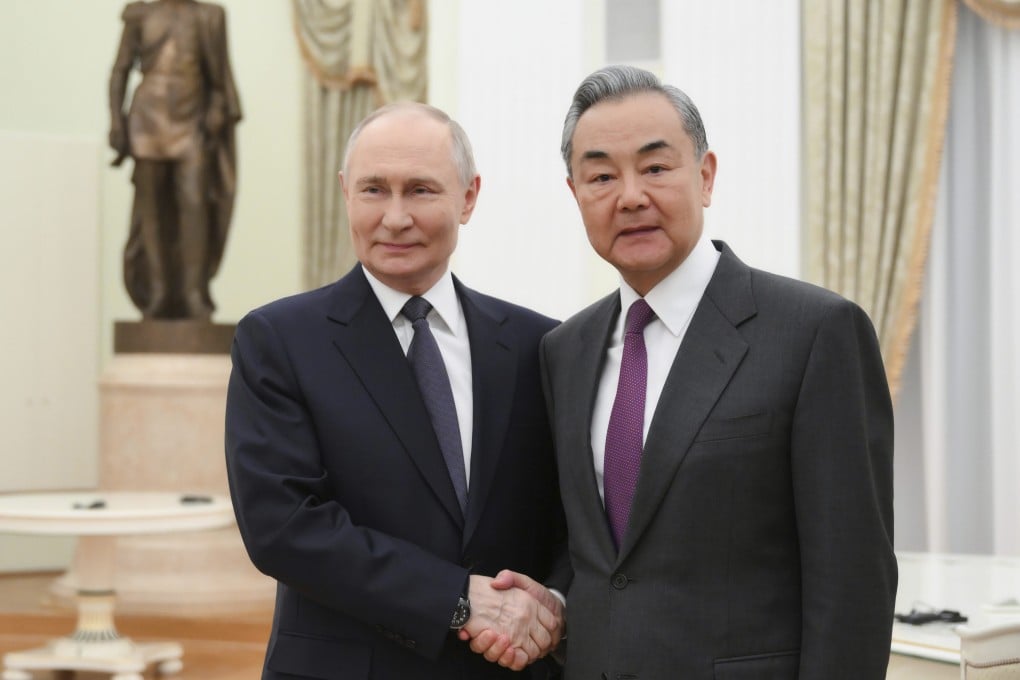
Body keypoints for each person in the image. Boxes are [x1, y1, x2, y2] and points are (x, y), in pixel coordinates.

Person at [492, 65, 897, 678]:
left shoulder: (815, 333)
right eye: (602, 176)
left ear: (705, 176)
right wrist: (554, 603)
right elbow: (601, 557)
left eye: (656, 167)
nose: (631, 196)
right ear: (576, 195)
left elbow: (853, 581)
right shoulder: (564, 350)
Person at [225, 102, 568, 679]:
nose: (395, 217)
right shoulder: (279, 340)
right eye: (374, 190)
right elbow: (282, 527)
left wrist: (552, 604)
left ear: (468, 197)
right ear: (345, 193)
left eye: (421, 190)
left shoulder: (540, 344)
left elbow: (579, 516)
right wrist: (455, 599)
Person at [109, 0, 241, 320]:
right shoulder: (141, 14)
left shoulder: (209, 16)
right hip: (147, 120)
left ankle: (194, 292)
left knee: (195, 204)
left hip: (191, 121)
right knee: (151, 210)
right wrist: (116, 120)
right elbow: (121, 69)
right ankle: (158, 292)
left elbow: (219, 77)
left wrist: (217, 109)